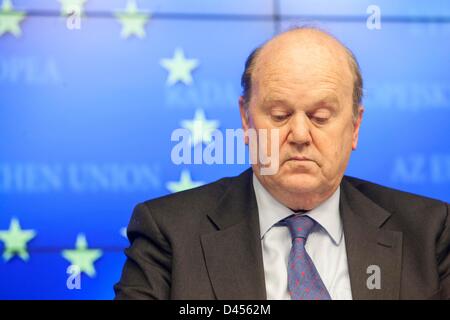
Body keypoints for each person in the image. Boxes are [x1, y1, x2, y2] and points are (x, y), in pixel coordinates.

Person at [114, 27, 449, 300]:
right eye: (280, 115)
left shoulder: (429, 231)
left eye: (320, 117)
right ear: (246, 120)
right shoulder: (168, 233)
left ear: (355, 127)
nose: (300, 134)